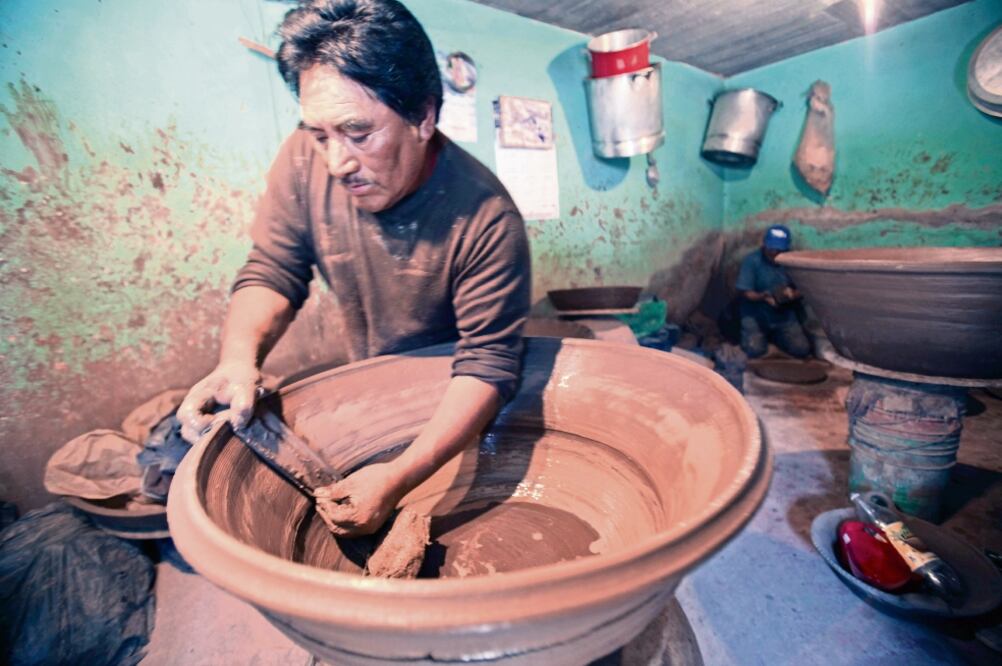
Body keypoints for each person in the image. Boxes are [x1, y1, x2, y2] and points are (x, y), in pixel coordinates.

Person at [177, 0, 530, 537]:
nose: (336, 162)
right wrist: (236, 358)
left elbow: (488, 365)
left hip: (454, 407)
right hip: (371, 381)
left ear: (423, 117)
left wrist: (398, 476)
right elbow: (273, 269)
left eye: (358, 134)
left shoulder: (486, 218)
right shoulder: (302, 159)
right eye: (320, 135)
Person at [735, 225, 811, 359]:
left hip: (784, 315)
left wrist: (792, 294)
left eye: (779, 249)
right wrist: (764, 296)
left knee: (802, 349)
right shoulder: (752, 261)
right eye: (771, 248)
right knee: (754, 350)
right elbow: (746, 292)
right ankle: (762, 337)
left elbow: (805, 289)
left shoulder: (792, 261)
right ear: (764, 244)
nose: (774, 252)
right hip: (755, 313)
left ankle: (776, 337)